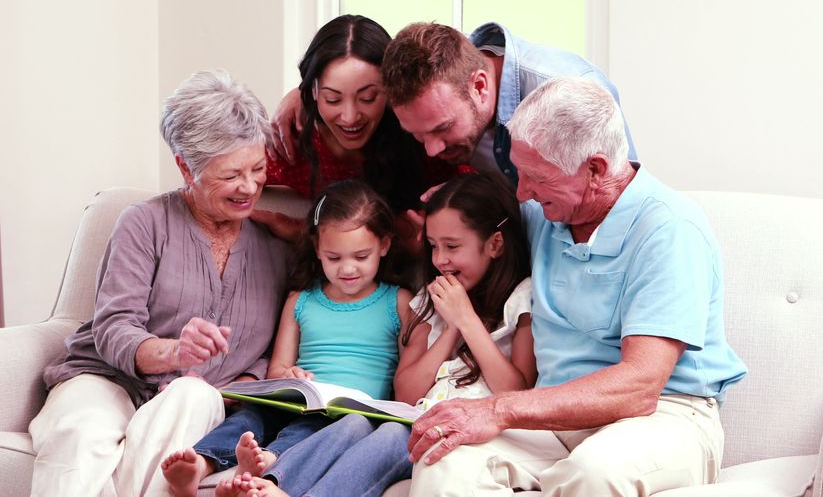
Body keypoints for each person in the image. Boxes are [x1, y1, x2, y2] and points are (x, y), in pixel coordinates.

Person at [406, 77, 748, 496]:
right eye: (518, 172)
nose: (522, 191)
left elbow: (639, 386)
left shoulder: (669, 229)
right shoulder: (545, 216)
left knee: (593, 471)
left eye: (536, 177)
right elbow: (481, 234)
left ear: (596, 169)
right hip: (553, 417)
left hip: (664, 416)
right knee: (446, 461)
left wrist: (498, 409)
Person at [28, 70, 291, 497]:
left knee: (192, 394)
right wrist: (175, 351)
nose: (249, 186)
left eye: (257, 168)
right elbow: (113, 327)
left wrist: (244, 385)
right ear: (186, 167)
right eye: (230, 175)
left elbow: (271, 350)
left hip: (197, 399)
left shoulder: (275, 248)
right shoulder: (144, 222)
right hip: (107, 382)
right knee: (79, 433)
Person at [216, 172, 538, 497]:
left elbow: (516, 392)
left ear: (495, 244)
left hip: (477, 427)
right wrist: (452, 329)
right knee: (371, 429)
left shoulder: (520, 300)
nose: (440, 260)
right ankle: (275, 485)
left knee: (387, 435)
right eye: (432, 246)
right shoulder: (429, 302)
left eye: (452, 246)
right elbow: (408, 394)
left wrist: (468, 320)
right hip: (418, 420)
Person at [159, 179, 415, 496]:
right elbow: (278, 368)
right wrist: (290, 375)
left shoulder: (399, 302)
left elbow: (410, 373)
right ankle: (199, 464)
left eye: (361, 256)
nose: (347, 268)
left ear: (385, 246)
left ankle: (271, 462)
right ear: (317, 249)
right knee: (253, 414)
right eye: (334, 258)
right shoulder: (301, 300)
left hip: (353, 412)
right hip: (302, 399)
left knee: (330, 425)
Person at [271, 21, 636, 190]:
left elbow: (622, 202)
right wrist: (304, 95)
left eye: (442, 129)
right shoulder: (438, 73)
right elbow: (359, 50)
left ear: (480, 87)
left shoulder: (567, 90)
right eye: (417, 135)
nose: (432, 150)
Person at [254, 15, 462, 241]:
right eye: (333, 99)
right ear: (313, 91)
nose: (350, 117)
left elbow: (479, 184)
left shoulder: (420, 135)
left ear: (391, 89)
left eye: (368, 97)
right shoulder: (294, 141)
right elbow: (227, 174)